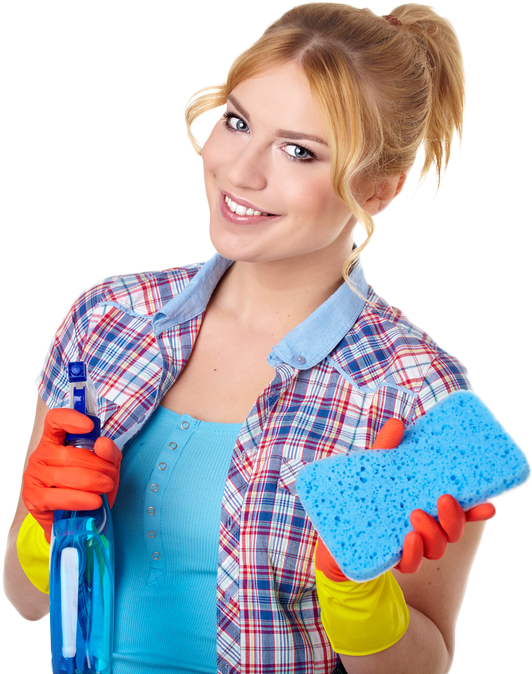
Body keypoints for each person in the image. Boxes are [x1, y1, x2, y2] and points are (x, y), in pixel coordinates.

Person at [2, 3, 506, 673]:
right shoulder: (107, 320)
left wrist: (359, 597)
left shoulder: (417, 395)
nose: (241, 171)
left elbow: (426, 662)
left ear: (377, 190)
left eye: (299, 150)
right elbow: (25, 597)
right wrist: (44, 530)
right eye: (238, 122)